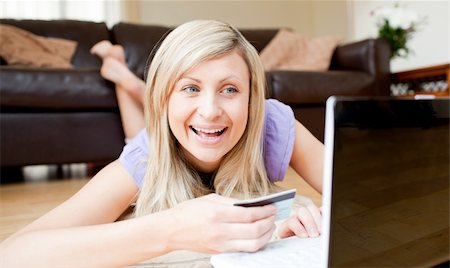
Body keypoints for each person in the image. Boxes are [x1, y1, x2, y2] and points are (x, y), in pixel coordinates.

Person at [0, 20, 324, 267]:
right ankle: (119, 74)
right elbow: (12, 255)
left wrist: (312, 221)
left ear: (253, 100)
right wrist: (167, 230)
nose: (211, 111)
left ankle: (122, 74)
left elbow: (352, 194)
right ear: (162, 99)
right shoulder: (143, 159)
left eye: (230, 89)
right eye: (190, 88)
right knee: (136, 138)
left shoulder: (271, 123)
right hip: (154, 145)